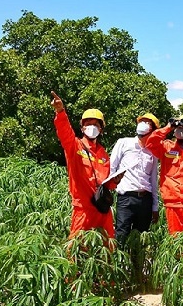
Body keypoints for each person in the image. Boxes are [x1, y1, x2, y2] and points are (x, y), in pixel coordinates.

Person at [50, 91, 121, 239]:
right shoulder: (74, 146)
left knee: (107, 249)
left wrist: (115, 180)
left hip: (102, 209)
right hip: (83, 210)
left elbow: (107, 184)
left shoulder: (103, 153)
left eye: (96, 124)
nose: (92, 127)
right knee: (77, 251)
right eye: (88, 124)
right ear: (82, 128)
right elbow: (64, 132)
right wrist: (60, 112)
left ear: (101, 129)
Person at [110, 113, 160, 250]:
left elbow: (153, 179)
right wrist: (109, 190)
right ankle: (118, 266)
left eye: (148, 123)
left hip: (145, 199)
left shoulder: (153, 151)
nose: (144, 123)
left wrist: (155, 207)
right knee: (121, 234)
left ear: (153, 130)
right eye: (142, 121)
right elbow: (112, 167)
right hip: (126, 197)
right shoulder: (124, 142)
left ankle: (137, 267)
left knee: (141, 238)